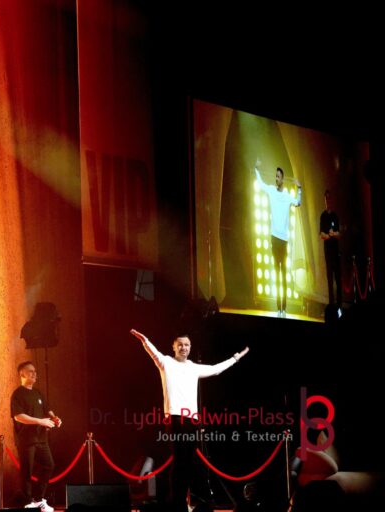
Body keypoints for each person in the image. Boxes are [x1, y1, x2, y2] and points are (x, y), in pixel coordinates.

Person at [130, 329, 249, 512]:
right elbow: (153, 352)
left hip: (192, 421)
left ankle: (183, 501)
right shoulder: (166, 362)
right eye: (180, 345)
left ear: (190, 347)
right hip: (176, 418)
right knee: (180, 462)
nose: (183, 347)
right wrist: (144, 339)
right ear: (174, 347)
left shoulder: (194, 367)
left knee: (188, 463)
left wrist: (235, 358)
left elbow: (216, 369)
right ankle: (176, 503)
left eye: (186, 345)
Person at [11, 361, 62, 512]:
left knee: (49, 465)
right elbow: (18, 416)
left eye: (35, 371)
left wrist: (55, 418)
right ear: (22, 374)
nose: (34, 374)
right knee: (27, 471)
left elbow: (47, 410)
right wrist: (40, 421)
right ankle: (28, 502)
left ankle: (39, 499)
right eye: (30, 371)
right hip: (26, 440)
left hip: (41, 439)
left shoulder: (38, 393)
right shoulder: (18, 394)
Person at [254, 159, 302, 317]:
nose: (276, 178)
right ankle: (278, 307)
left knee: (283, 275)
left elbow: (298, 203)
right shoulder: (271, 191)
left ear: (282, 179)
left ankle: (284, 307)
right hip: (274, 238)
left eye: (278, 176)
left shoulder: (287, 196)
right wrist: (256, 169)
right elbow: (261, 184)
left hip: (284, 240)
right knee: (276, 273)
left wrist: (299, 188)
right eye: (275, 176)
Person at [319, 190, 342, 308]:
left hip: (336, 252)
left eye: (329, 199)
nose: (327, 201)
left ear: (331, 200)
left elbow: (339, 234)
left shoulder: (335, 216)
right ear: (324, 200)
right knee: (329, 278)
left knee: (338, 277)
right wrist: (328, 235)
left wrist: (334, 234)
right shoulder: (323, 216)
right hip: (327, 252)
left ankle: (339, 303)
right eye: (326, 199)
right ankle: (331, 303)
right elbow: (321, 234)